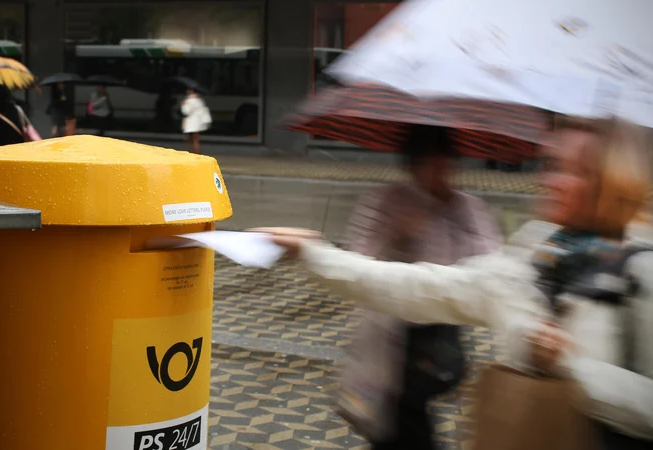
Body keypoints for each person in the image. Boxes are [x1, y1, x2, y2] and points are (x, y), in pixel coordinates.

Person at [259, 117, 653, 448]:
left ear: (613, 181)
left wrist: (571, 366)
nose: (548, 180)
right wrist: (313, 252)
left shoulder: (641, 270)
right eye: (551, 164)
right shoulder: (535, 254)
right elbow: (422, 286)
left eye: (573, 171)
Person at [341, 125, 501, 450]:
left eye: (445, 165)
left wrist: (457, 233)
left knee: (403, 412)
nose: (439, 175)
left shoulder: (466, 207)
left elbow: (491, 260)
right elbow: (356, 260)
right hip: (392, 330)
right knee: (394, 419)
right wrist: (397, 237)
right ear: (413, 165)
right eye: (429, 165)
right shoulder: (388, 201)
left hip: (440, 332)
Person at [181, 88, 211, 154]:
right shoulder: (199, 100)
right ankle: (197, 152)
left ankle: (193, 152)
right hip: (197, 123)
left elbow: (186, 111)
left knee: (190, 139)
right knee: (196, 139)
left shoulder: (188, 101)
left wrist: (183, 105)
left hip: (190, 123)